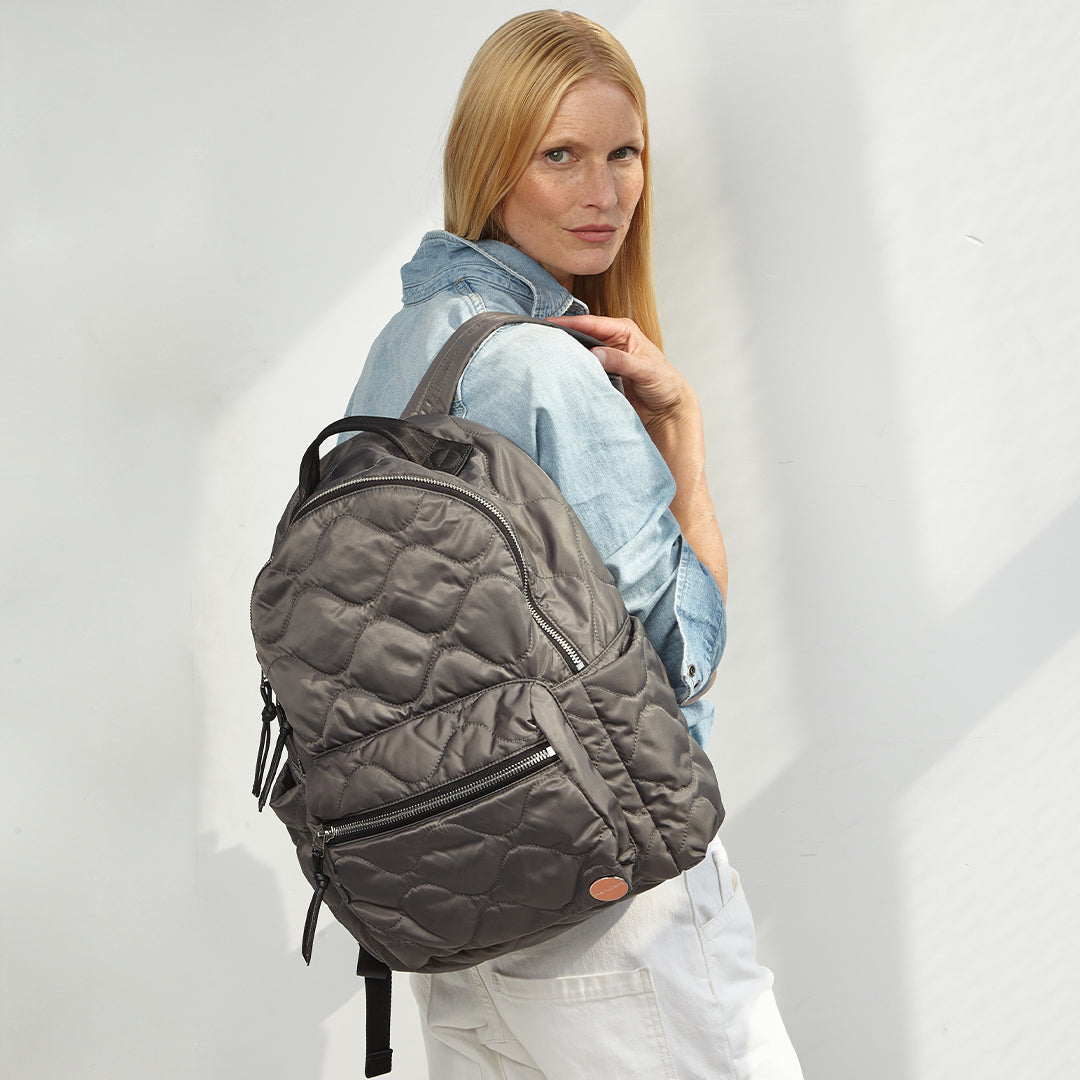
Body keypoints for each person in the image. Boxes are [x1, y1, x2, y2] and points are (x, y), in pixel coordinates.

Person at [343, 11, 803, 1079]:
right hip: (610, 900)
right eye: (562, 156)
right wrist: (682, 432)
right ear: (494, 163)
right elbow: (680, 660)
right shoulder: (549, 371)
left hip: (453, 911)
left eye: (624, 153)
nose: (604, 193)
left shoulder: (405, 351)